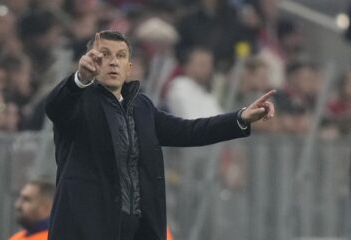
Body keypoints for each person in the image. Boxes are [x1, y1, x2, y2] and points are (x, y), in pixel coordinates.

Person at [45, 30, 275, 240]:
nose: (113, 62)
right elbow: (55, 108)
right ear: (90, 61)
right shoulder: (77, 100)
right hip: (86, 230)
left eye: (121, 56)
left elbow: (188, 131)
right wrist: (80, 80)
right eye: (104, 54)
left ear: (129, 67)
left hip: (137, 230)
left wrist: (241, 117)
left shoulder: (142, 107)